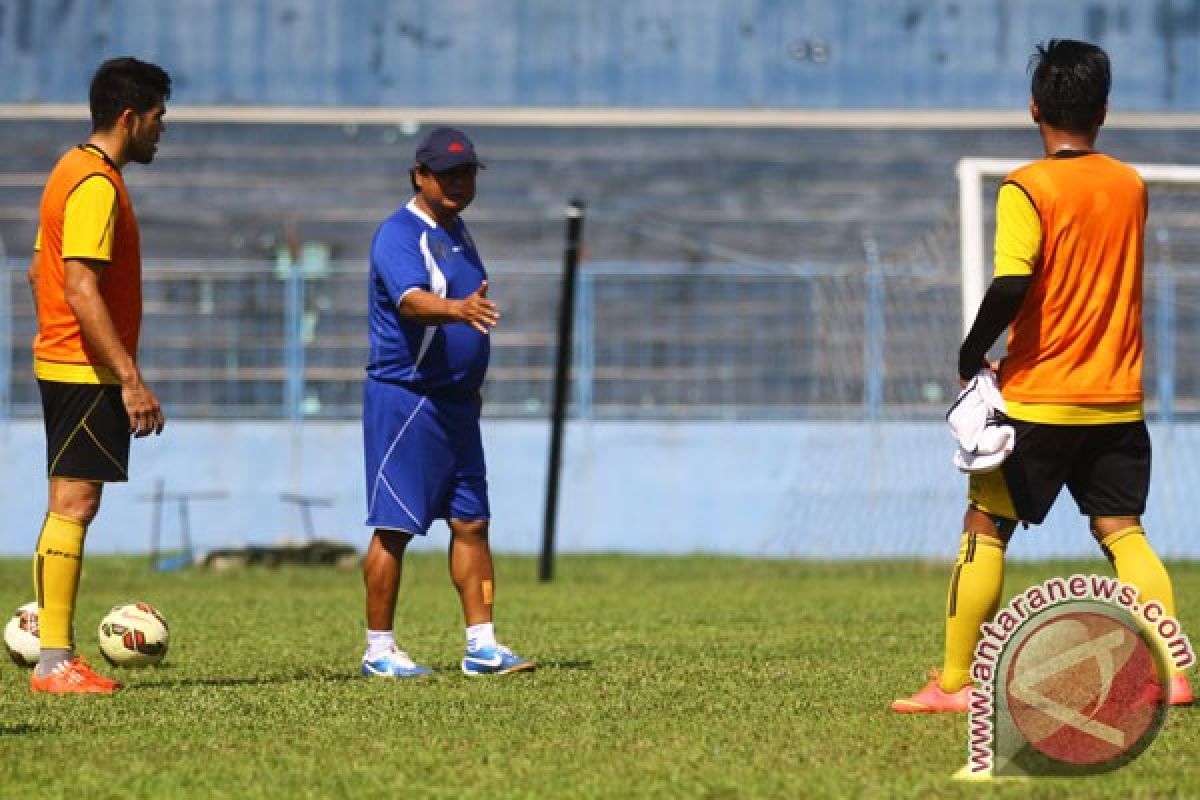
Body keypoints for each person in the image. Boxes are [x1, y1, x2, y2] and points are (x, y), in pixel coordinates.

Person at [892, 39, 1193, 713]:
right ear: (1104, 112)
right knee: (1123, 531)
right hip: (1117, 396)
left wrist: (972, 354)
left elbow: (1011, 282)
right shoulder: (1131, 185)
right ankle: (1172, 672)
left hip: (1041, 395)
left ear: (1035, 108)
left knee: (983, 526)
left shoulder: (1027, 187)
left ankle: (954, 684)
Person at [360, 127, 535, 678]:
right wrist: (457, 312)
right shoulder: (399, 233)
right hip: (409, 398)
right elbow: (411, 302)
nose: (459, 183)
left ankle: (482, 645)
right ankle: (379, 650)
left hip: (456, 404)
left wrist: (470, 381)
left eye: (466, 173)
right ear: (420, 175)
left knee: (472, 522)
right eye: (447, 173)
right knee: (395, 527)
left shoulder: (457, 232)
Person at [26, 57, 170, 694]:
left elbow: (40, 274)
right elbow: (81, 288)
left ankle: (52, 644)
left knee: (67, 502)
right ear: (129, 117)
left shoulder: (69, 169)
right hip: (84, 368)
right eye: (158, 118)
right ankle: (56, 660)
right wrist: (128, 377)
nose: (162, 131)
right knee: (76, 504)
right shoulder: (97, 185)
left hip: (64, 358)